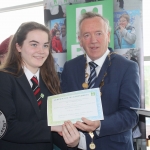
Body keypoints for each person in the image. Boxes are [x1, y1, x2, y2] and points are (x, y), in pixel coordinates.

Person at [61, 12, 140, 150]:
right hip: (78, 146)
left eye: (98, 33)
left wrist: (100, 124)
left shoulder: (127, 67)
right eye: (87, 35)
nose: (93, 40)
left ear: (108, 36)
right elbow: (65, 110)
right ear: (80, 40)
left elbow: (130, 115)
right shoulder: (70, 67)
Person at [0, 21, 80, 150]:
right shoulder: (4, 78)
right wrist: (51, 126)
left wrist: (72, 142)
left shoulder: (50, 80)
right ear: (18, 47)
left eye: (45, 45)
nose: (41, 51)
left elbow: (53, 134)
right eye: (34, 44)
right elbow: (6, 128)